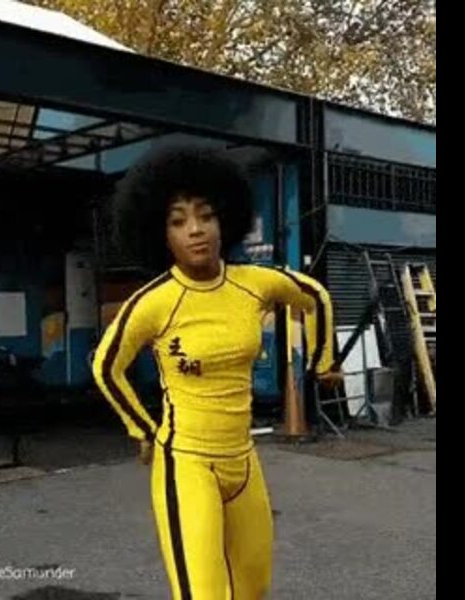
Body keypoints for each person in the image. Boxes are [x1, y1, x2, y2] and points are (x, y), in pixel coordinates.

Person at [91, 145, 339, 599]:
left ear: (225, 220)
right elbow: (106, 367)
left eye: (206, 216)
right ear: (161, 234)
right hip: (186, 463)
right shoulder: (154, 302)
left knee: (253, 588)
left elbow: (315, 297)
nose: (195, 230)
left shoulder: (254, 283)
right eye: (178, 221)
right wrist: (143, 429)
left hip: (243, 461)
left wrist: (323, 363)